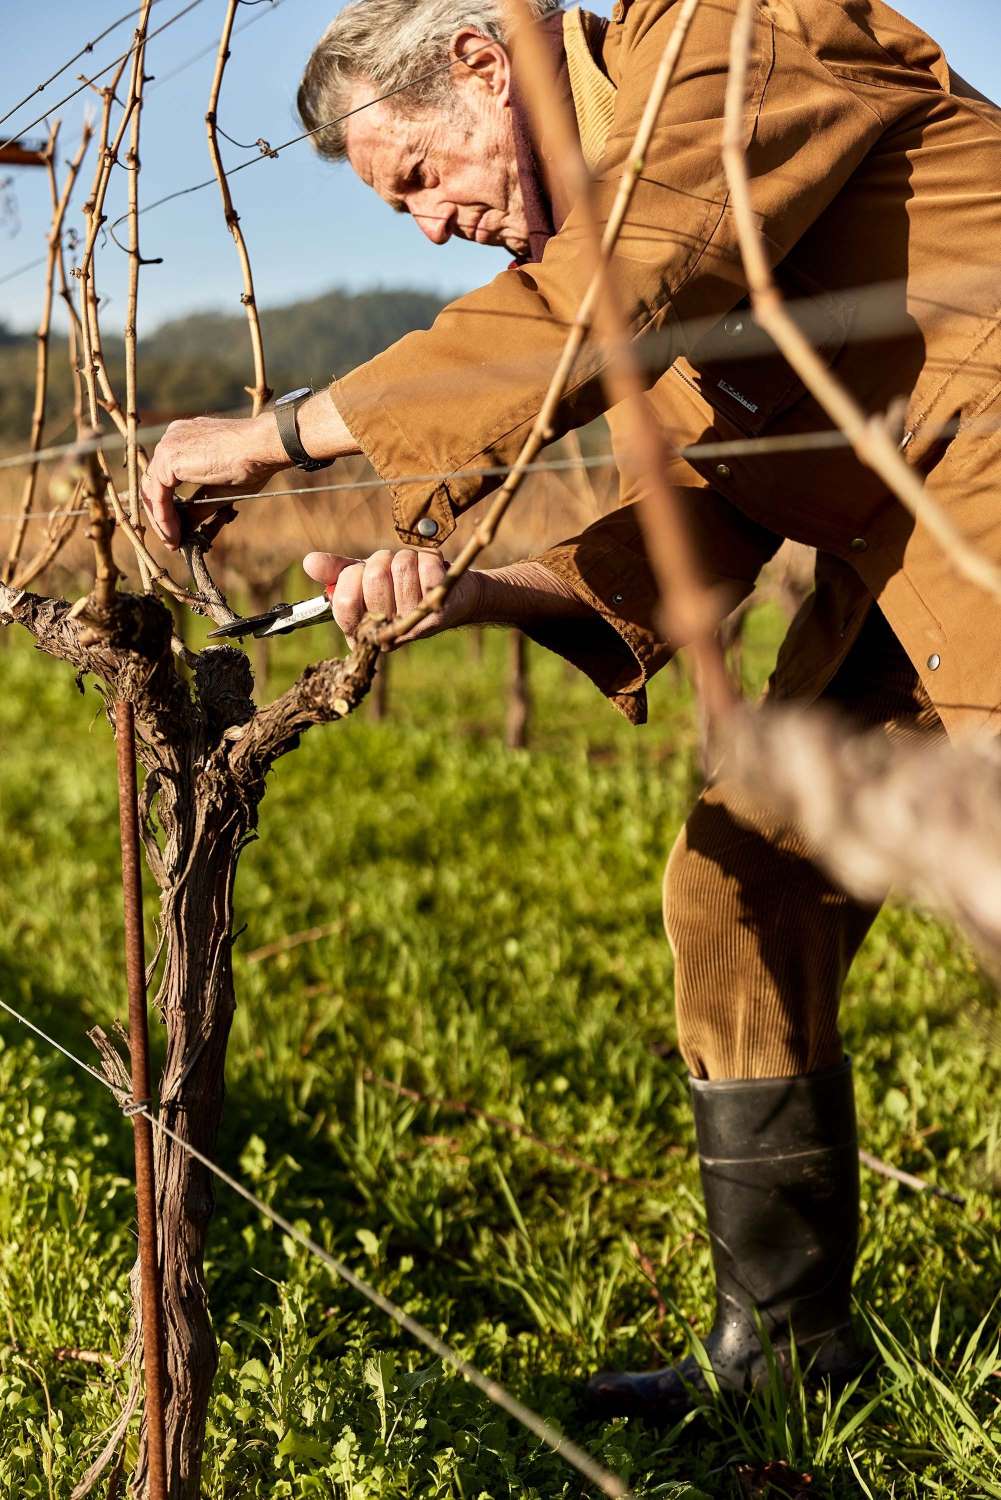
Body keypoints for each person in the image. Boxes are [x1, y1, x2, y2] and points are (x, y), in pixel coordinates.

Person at [141, 0, 1001, 1421]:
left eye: (417, 176)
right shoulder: (627, 249)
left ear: (484, 60)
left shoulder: (728, 41)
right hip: (904, 564)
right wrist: (460, 594)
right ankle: (785, 1359)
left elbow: (602, 306)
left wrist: (279, 433)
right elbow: (698, 522)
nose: (425, 227)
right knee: (738, 889)